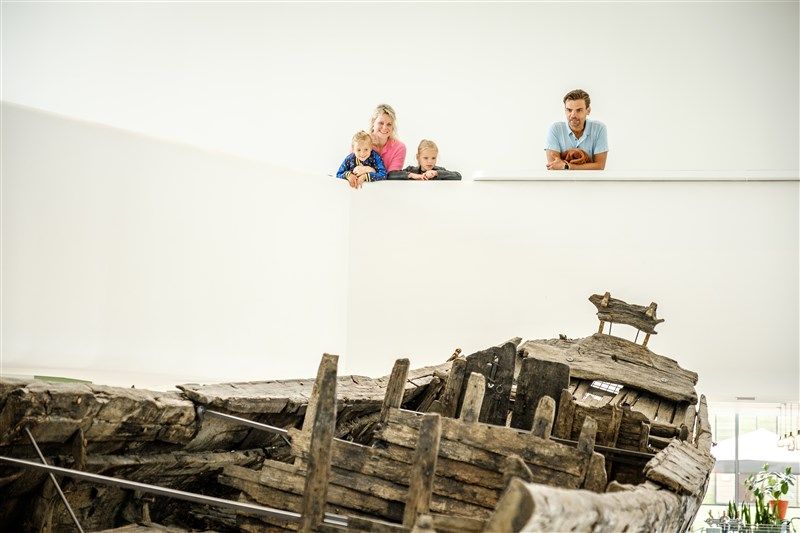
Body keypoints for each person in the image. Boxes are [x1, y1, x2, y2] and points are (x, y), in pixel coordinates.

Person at [545, 89, 608, 170]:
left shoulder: (599, 128)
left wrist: (567, 166)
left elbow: (599, 166)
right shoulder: (555, 129)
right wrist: (588, 165)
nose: (573, 115)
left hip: (590, 181)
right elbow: (554, 166)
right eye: (569, 110)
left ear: (588, 110)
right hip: (562, 181)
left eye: (579, 110)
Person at [388, 139, 462, 180]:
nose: (430, 161)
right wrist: (412, 175)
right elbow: (390, 175)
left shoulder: (439, 171)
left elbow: (458, 176)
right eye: (425, 158)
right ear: (418, 157)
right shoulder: (411, 170)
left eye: (433, 158)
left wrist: (436, 173)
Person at [368, 104, 407, 171]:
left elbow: (392, 176)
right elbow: (352, 170)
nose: (384, 128)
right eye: (381, 123)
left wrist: (370, 170)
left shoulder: (399, 148)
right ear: (373, 123)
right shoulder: (359, 142)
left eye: (389, 124)